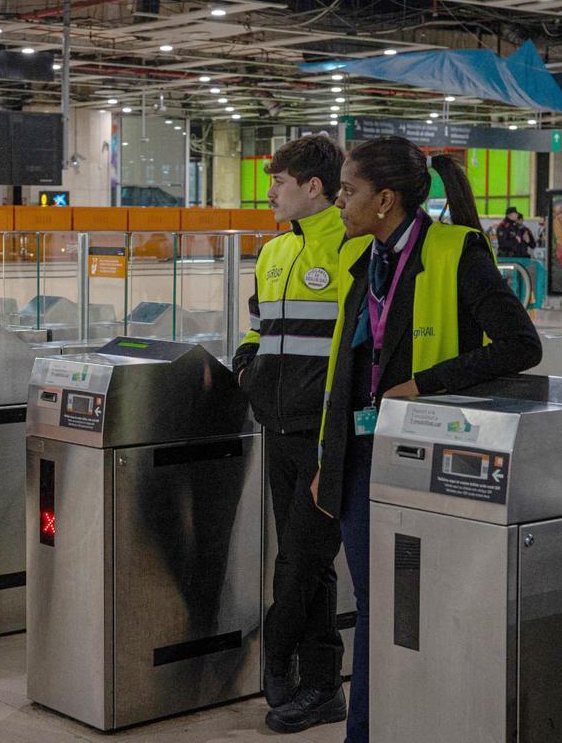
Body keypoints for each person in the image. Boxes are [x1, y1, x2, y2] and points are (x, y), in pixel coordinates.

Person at [270, 136, 542, 741]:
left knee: (406, 611)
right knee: (379, 607)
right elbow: (345, 370)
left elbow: (521, 345)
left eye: (349, 192)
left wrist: (425, 384)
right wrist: (328, 459)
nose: (340, 202)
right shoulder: (362, 259)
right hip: (361, 459)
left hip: (428, 462)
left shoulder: (454, 251)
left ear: (386, 199)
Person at [231, 134, 348, 725]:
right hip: (276, 427)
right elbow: (259, 327)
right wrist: (246, 367)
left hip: (326, 435)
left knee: (301, 560)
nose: (270, 193)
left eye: (279, 183)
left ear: (313, 186)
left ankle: (278, 656)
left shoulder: (351, 249)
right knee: (306, 562)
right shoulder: (274, 253)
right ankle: (323, 686)